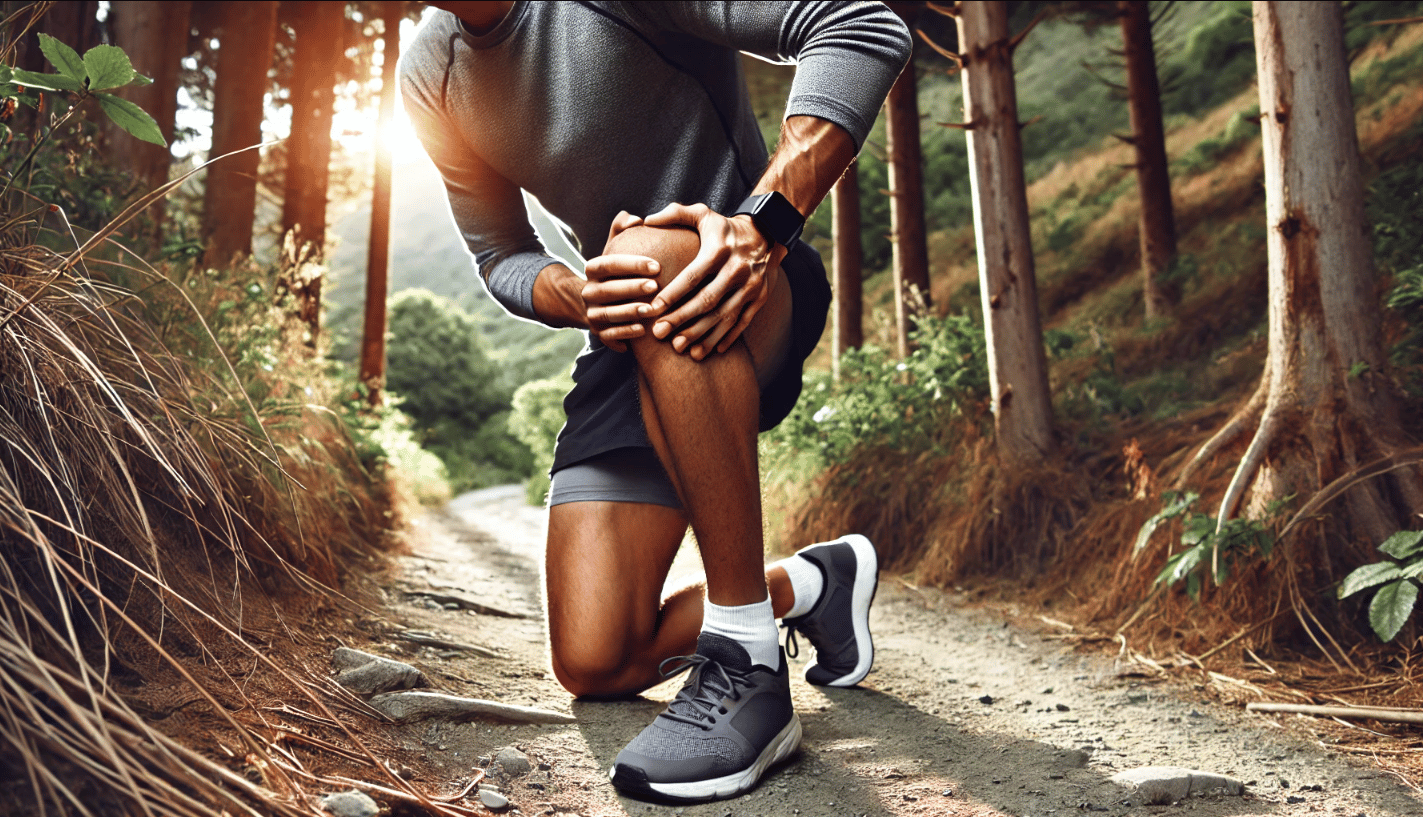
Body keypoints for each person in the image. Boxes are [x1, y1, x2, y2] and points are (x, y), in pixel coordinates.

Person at [400, 0, 911, 802]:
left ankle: (746, 660)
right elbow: (500, 251)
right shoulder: (431, 73)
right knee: (597, 658)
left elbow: (857, 26)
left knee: (643, 255)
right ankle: (814, 584)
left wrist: (761, 224)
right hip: (623, 331)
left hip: (750, 286)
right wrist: (570, 292)